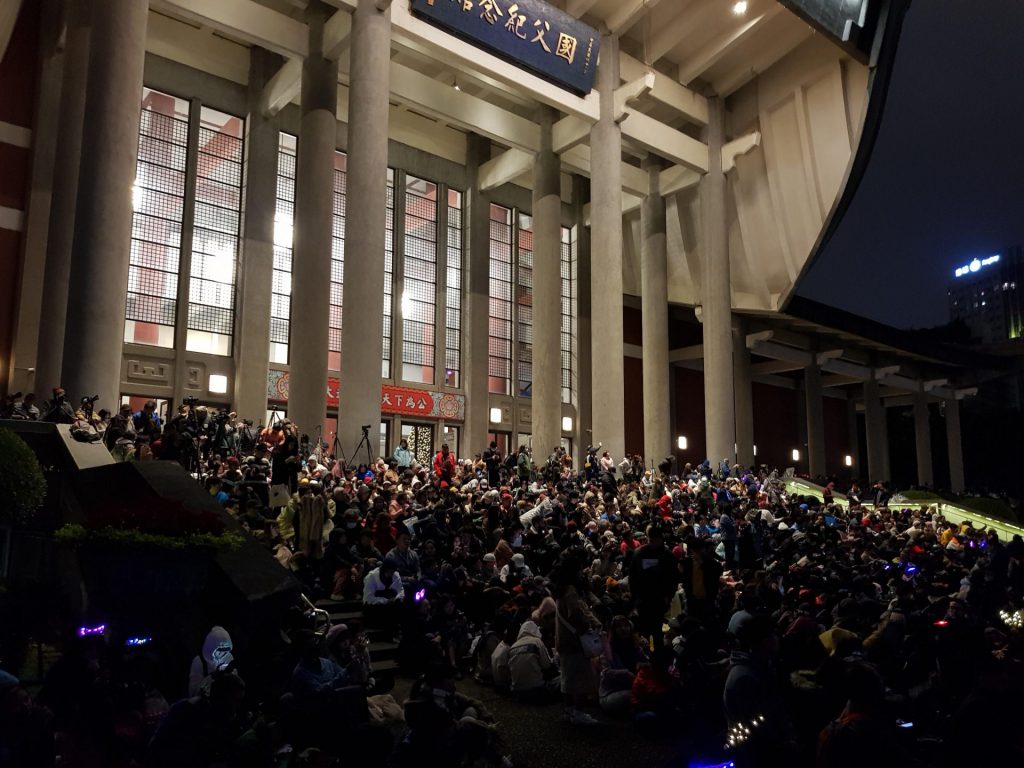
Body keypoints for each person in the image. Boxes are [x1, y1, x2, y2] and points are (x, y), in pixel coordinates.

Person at [628, 526, 679, 649]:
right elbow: (632, 578)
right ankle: (648, 653)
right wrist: (634, 598)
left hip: (660, 600)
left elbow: (674, 578)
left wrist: (668, 596)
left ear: (661, 539)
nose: (652, 543)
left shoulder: (668, 556)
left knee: (657, 630)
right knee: (645, 630)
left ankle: (657, 653)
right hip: (643, 600)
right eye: (650, 540)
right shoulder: (639, 554)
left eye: (655, 540)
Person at [507, 620, 555, 701]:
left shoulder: (513, 647)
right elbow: (547, 665)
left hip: (517, 693)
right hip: (536, 691)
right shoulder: (537, 642)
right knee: (562, 680)